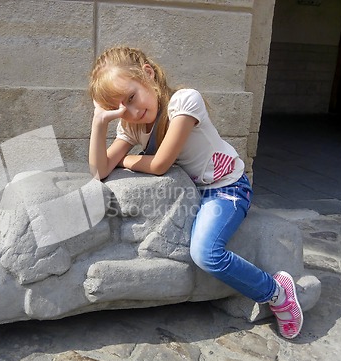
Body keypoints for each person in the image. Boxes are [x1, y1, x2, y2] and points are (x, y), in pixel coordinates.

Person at [87, 46, 303, 339]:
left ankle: (276, 292)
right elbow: (99, 171)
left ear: (148, 75)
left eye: (132, 97)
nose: (133, 112)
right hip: (191, 193)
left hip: (226, 190)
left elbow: (161, 163)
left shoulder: (184, 102)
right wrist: (99, 123)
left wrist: (124, 160)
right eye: (122, 109)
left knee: (206, 254)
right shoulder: (133, 126)